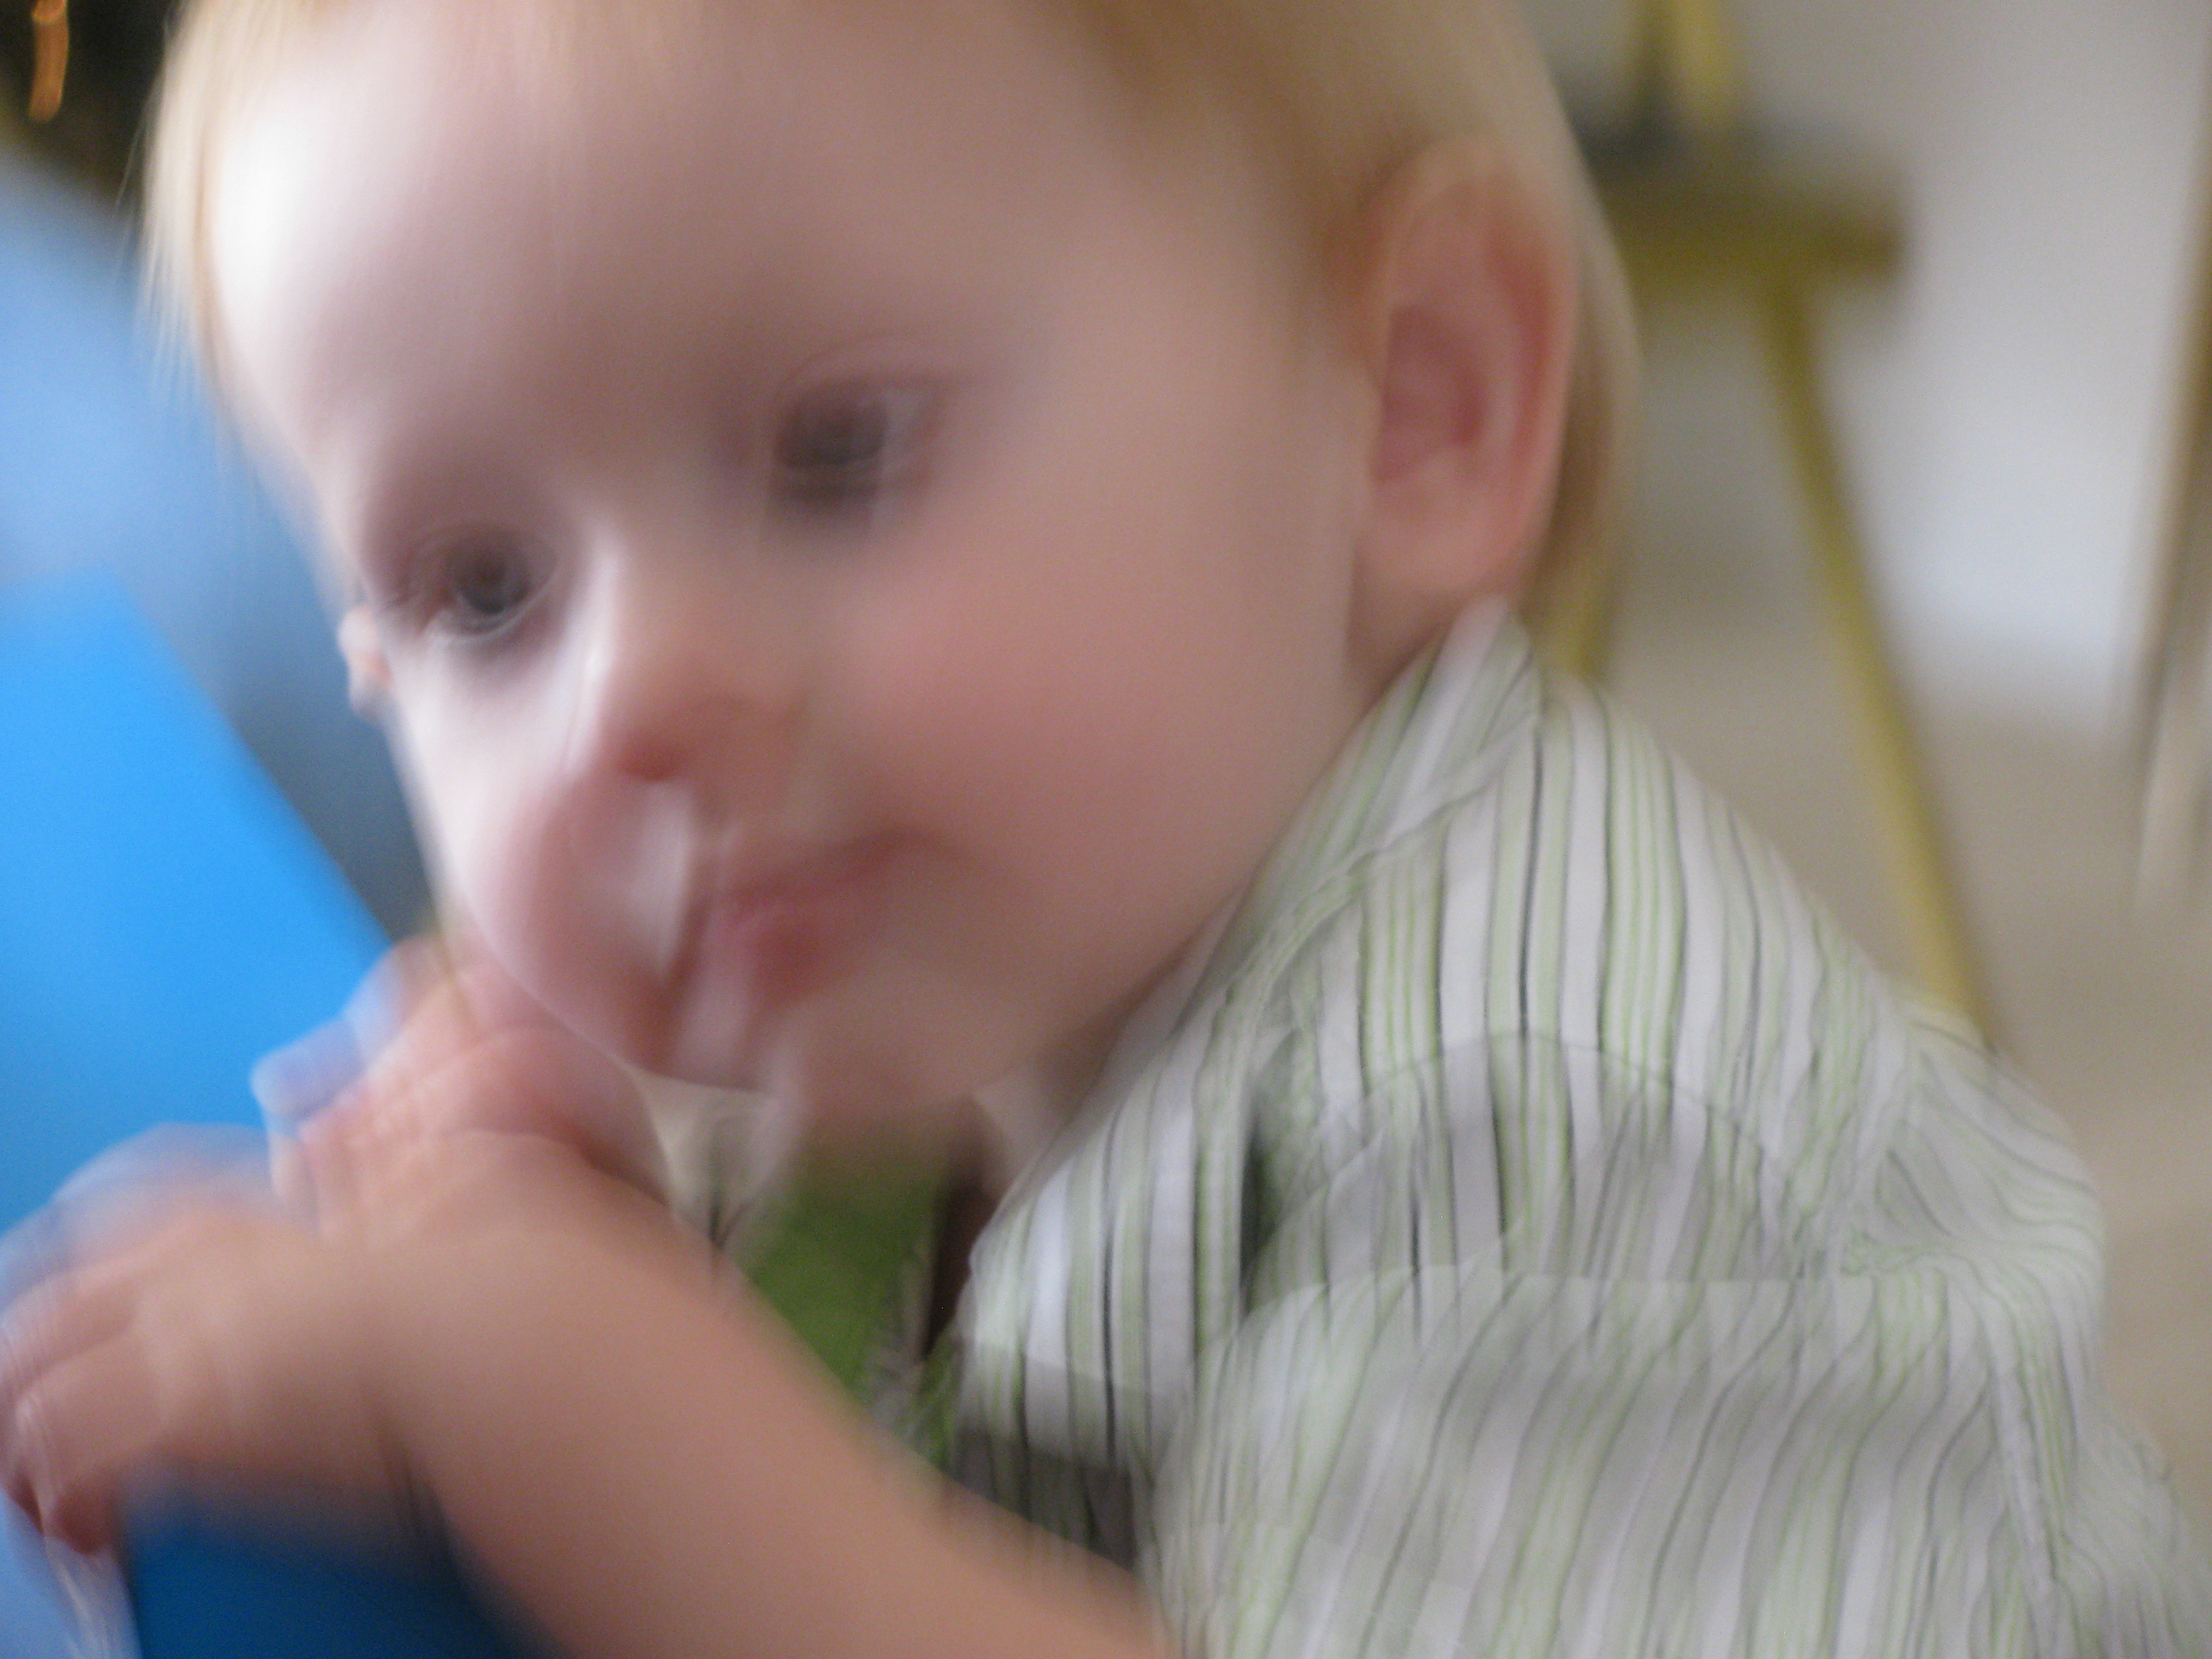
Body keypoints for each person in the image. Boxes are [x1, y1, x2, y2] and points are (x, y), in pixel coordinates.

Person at [3, 0, 2207, 1653]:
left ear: (1412, 405)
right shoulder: (963, 951)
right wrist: (624, 1257)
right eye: (485, 590)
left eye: (838, 452)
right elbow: (976, 1513)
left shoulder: (1542, 1107)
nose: (632, 703)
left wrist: (568, 1407)